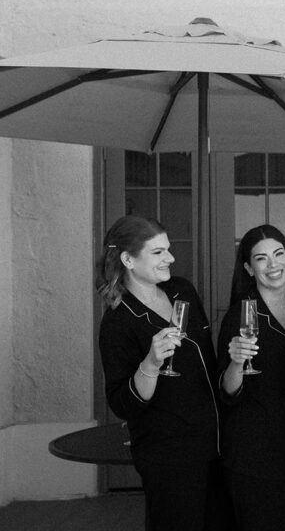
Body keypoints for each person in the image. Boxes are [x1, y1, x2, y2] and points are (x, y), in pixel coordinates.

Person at [96, 215, 222, 531]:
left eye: (168, 249)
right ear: (128, 259)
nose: (171, 258)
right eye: (158, 252)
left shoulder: (183, 291)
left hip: (215, 440)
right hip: (169, 453)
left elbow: (207, 361)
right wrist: (150, 364)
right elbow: (122, 403)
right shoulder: (118, 323)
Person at [217, 224, 285, 531]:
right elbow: (227, 391)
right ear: (249, 268)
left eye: (279, 254)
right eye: (261, 259)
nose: (273, 264)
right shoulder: (239, 315)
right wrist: (236, 364)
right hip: (257, 454)